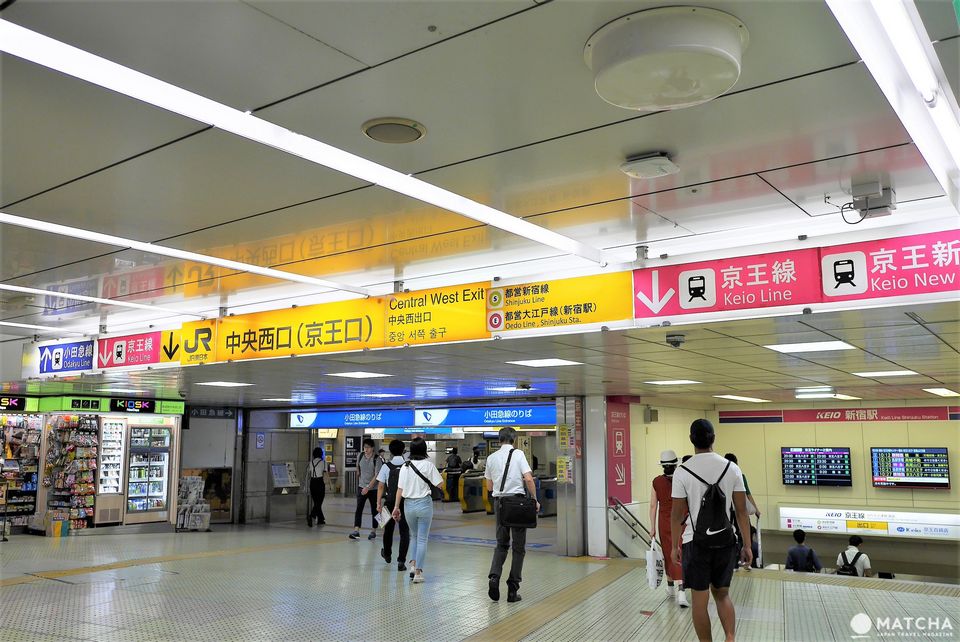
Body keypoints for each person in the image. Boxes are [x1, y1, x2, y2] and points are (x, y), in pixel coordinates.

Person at [671, 419, 752, 642]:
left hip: (694, 542)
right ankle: (730, 637)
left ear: (691, 440)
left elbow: (676, 515)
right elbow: (742, 511)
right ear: (713, 439)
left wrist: (674, 546)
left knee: (700, 601)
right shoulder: (732, 468)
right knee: (722, 594)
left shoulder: (682, 471)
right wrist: (747, 545)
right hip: (725, 541)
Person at [485, 427, 540, 603]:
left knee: (501, 544)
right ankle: (512, 589)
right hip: (517, 504)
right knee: (518, 547)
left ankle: (494, 577)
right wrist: (535, 499)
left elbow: (489, 487)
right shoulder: (518, 454)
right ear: (514, 439)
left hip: (500, 504)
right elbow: (528, 479)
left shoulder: (491, 458)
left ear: (499, 439)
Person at [392, 437, 442, 584]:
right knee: (422, 539)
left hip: (408, 505)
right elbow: (440, 484)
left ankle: (413, 566)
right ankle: (418, 573)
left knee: (413, 536)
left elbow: (400, 489)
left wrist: (396, 507)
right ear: (424, 449)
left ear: (411, 450)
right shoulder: (429, 465)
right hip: (424, 504)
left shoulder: (405, 466)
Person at [649, 449, 688, 607]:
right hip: (681, 521)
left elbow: (653, 506)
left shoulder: (656, 482)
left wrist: (652, 528)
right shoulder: (683, 479)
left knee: (667, 553)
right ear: (675, 464)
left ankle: (671, 588)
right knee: (680, 552)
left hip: (664, 522)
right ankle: (682, 592)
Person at [377, 439, 409, 571]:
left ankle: (387, 554)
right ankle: (401, 561)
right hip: (405, 502)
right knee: (404, 532)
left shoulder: (385, 466)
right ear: (403, 451)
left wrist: (378, 503)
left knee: (387, 529)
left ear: (390, 451)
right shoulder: (408, 466)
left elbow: (380, 486)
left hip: (389, 501)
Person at [349, 438, 383, 541]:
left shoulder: (377, 459)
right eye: (364, 447)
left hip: (373, 489)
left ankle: (373, 531)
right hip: (361, 487)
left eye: (368, 447)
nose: (366, 449)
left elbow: (377, 475)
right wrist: (358, 472)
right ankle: (356, 531)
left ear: (372, 448)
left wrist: (368, 487)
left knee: (374, 510)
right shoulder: (360, 456)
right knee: (359, 509)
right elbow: (357, 466)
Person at [304, 447, 329, 527]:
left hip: (312, 483)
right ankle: (312, 516)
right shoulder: (323, 462)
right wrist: (329, 484)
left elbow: (307, 474)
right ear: (321, 454)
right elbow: (325, 473)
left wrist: (305, 486)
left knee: (316, 502)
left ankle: (320, 519)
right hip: (320, 483)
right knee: (319, 502)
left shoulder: (310, 462)